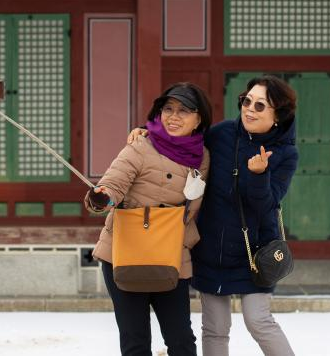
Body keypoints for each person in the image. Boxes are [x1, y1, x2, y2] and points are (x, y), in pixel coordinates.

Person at [84, 82, 212, 356]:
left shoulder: (202, 156)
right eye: (168, 109)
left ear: (199, 118)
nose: (173, 117)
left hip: (172, 254)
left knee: (181, 341)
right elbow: (114, 182)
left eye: (184, 111)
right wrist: (102, 197)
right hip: (127, 253)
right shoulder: (141, 145)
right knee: (136, 342)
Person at [193, 75, 298, 356]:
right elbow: (183, 140)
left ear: (278, 115)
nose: (249, 109)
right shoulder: (222, 134)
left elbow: (267, 205)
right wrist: (146, 132)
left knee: (258, 321)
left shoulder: (286, 153)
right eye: (246, 101)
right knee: (215, 328)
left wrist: (259, 175)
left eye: (260, 105)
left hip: (256, 251)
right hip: (212, 247)